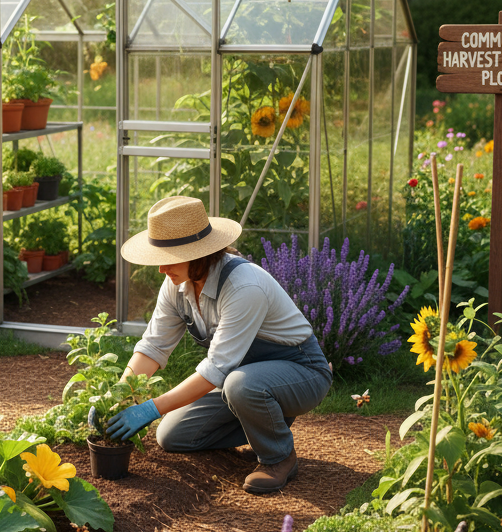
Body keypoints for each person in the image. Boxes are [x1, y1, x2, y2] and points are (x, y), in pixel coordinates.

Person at [106, 196, 332, 493]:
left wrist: (150, 408)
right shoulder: (177, 284)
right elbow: (153, 347)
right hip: (242, 379)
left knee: (241, 385)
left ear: (196, 254)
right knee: (172, 436)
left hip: (301, 372)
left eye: (168, 258)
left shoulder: (243, 286)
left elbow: (216, 369)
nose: (161, 269)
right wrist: (119, 397)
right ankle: (267, 423)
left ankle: (278, 457)